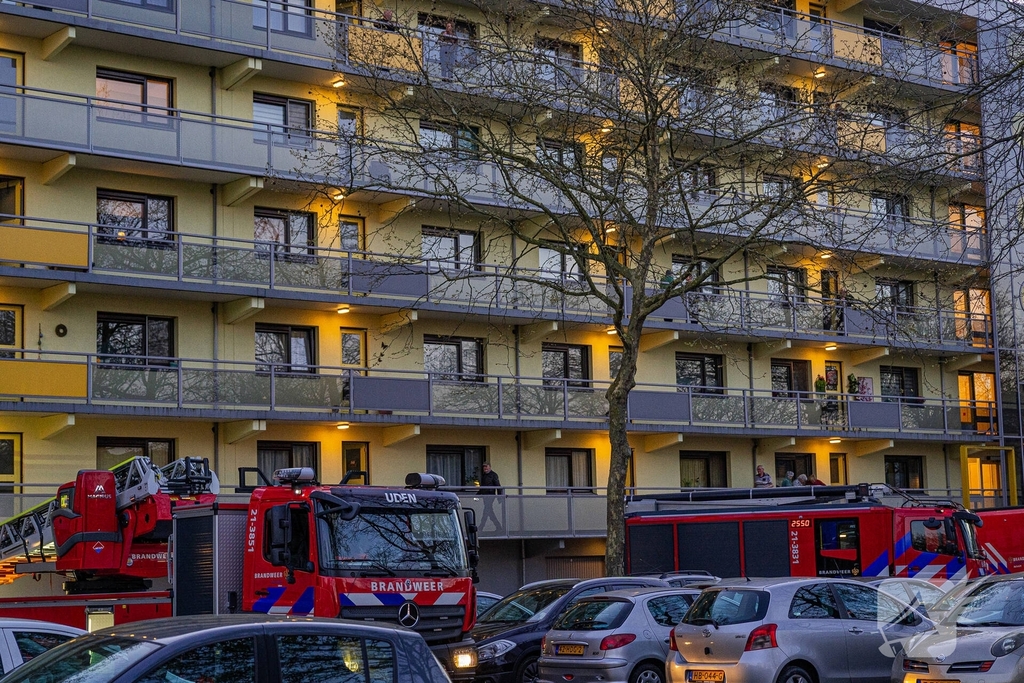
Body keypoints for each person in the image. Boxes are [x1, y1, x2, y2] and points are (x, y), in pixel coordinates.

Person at [478, 463, 502, 532]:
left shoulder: (493, 475)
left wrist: (500, 497)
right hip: (485, 495)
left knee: (486, 510)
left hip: (490, 495)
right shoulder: (484, 475)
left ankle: (481, 527)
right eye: (484, 466)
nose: (485, 468)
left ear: (490, 467)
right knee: (489, 511)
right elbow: (482, 487)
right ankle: (498, 526)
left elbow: (498, 486)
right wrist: (478, 494)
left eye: (486, 466)